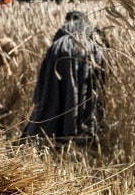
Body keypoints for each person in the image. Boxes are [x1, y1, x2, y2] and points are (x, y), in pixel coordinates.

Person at [22, 10, 107, 145]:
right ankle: (80, 132)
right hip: (88, 52)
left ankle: (50, 132)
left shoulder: (65, 28)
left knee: (52, 94)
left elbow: (56, 40)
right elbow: (104, 46)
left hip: (60, 52)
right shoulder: (91, 28)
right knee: (85, 94)